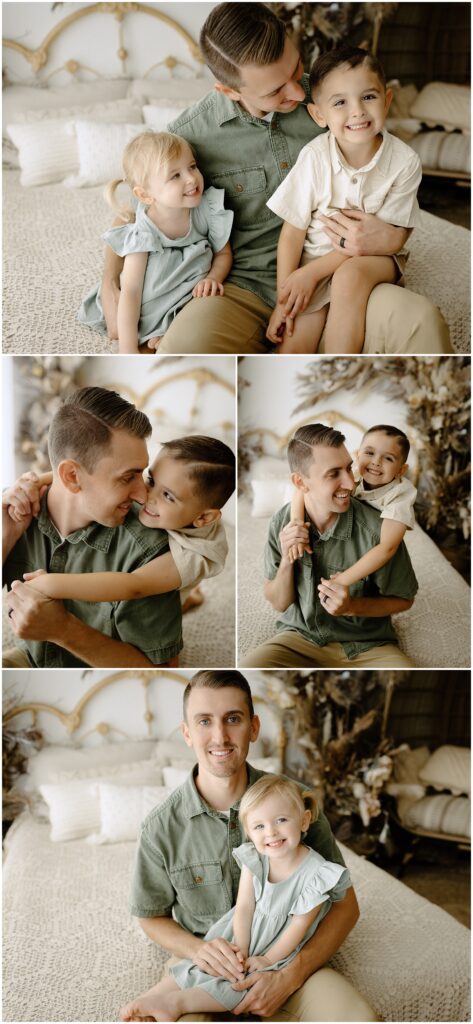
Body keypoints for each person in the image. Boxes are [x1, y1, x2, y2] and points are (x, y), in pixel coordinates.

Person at [100, 2, 451, 355]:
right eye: (275, 92)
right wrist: (109, 284)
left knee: (421, 323)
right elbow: (135, 214)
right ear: (229, 91)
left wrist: (391, 236)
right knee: (181, 353)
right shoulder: (189, 136)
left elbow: (383, 176)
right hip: (241, 287)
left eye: (296, 69)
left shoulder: (334, 96)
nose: (299, 94)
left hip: (344, 272)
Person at [128, 669, 378, 1022]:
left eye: (233, 719)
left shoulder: (295, 805)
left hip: (288, 960)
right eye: (203, 721)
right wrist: (201, 950)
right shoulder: (159, 827)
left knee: (357, 1018)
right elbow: (150, 916)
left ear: (254, 727)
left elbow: (346, 908)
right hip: (203, 963)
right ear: (186, 733)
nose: (220, 736)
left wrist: (288, 976)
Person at [121, 775, 350, 1021]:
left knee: (243, 986)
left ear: (304, 821)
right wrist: (240, 950)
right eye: (259, 826)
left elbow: (299, 926)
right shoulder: (254, 858)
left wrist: (267, 959)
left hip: (280, 949)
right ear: (249, 832)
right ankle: (150, 998)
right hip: (240, 933)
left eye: (281, 820)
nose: (271, 832)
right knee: (204, 966)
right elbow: (244, 908)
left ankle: (176, 1003)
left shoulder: (316, 874)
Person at [2, 387, 182, 669]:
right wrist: (6, 538)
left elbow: (164, 672)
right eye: (128, 477)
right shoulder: (12, 513)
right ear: (72, 476)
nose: (143, 496)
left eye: (142, 474)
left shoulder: (148, 552)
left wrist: (64, 630)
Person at [266, 47, 422, 354]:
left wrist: (312, 273)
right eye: (340, 102)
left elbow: (389, 237)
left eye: (368, 97)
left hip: (375, 257)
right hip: (313, 259)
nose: (358, 111)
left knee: (349, 278)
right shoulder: (314, 157)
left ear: (387, 100)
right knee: (294, 341)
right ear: (318, 115)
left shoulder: (405, 162)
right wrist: (284, 299)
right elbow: (292, 232)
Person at [240, 423, 418, 670]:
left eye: (348, 468)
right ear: (300, 483)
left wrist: (351, 607)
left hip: (368, 645)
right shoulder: (283, 522)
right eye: (334, 474)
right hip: (299, 637)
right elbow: (279, 603)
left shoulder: (381, 528)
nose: (351, 483)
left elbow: (404, 600)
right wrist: (288, 559)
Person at [12, 436, 234, 611]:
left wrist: (51, 584)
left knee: (164, 598)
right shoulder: (162, 502)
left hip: (179, 565)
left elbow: (133, 586)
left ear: (203, 518)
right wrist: (37, 481)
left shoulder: (195, 556)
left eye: (167, 495)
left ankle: (186, 600)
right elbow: (88, 474)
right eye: (151, 480)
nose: (144, 495)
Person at [79, 131, 233, 352]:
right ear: (144, 195)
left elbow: (223, 254)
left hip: (187, 286)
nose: (191, 178)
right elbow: (131, 292)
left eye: (192, 166)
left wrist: (213, 277)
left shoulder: (206, 208)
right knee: (139, 300)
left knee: (204, 295)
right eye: (175, 176)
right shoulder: (144, 232)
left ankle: (168, 331)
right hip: (150, 292)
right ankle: (151, 331)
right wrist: (127, 348)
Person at [289, 424, 417, 588]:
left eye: (388, 458)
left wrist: (342, 580)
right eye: (369, 453)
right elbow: (303, 490)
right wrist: (297, 525)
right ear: (358, 455)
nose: (376, 462)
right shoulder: (352, 471)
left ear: (401, 470)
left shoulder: (401, 497)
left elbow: (387, 548)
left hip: (369, 544)